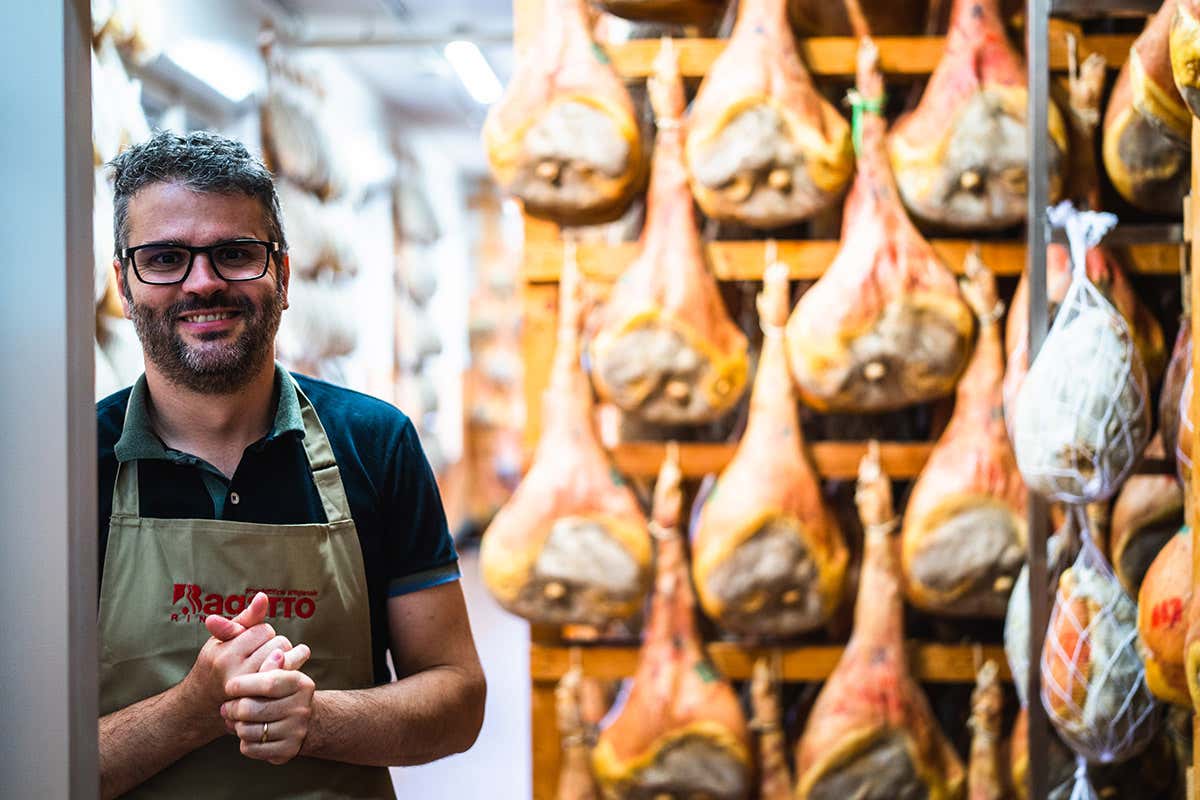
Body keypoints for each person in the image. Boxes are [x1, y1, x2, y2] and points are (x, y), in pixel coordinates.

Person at [95, 130, 486, 798]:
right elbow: (28, 760)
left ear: (282, 271)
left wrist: (317, 718)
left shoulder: (375, 441)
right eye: (164, 258)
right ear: (124, 283)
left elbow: (456, 699)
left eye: (235, 254)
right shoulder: (65, 467)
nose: (203, 283)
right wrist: (193, 712)